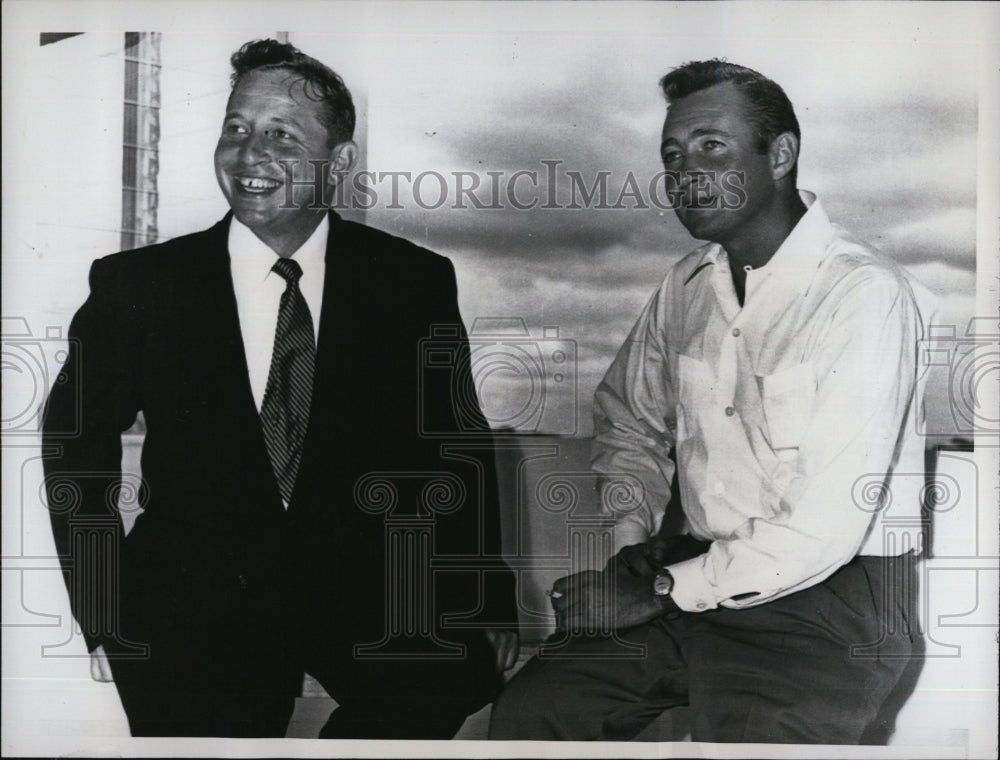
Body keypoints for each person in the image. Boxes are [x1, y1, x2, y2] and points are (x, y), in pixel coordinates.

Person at [43, 38, 518, 739]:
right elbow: (72, 441)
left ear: (341, 161)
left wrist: (483, 592)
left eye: (280, 135)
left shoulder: (410, 281)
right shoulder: (141, 286)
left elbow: (455, 443)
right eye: (236, 128)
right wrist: (101, 602)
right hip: (196, 598)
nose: (248, 153)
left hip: (363, 588)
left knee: (446, 681)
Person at [489, 59, 931, 744]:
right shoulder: (686, 285)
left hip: (831, 602)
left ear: (779, 154)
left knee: (756, 741)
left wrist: (656, 591)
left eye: (711, 147)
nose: (685, 172)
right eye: (672, 155)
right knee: (533, 712)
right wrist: (630, 548)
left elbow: (826, 525)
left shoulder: (863, 296)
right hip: (693, 573)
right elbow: (627, 416)